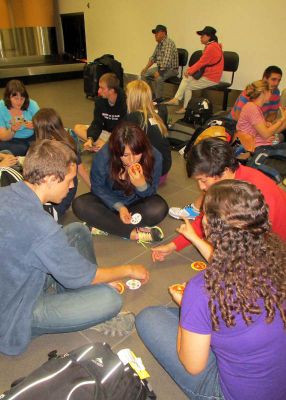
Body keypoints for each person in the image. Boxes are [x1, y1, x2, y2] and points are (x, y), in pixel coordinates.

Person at [136, 179, 286, 400]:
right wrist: (194, 238)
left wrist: (187, 307)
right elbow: (233, 258)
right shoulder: (276, 257)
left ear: (211, 226)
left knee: (149, 317)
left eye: (204, 214)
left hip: (231, 394)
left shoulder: (202, 290)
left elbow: (192, 366)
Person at [0, 139, 149, 356]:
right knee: (110, 300)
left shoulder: (7, 193)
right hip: (14, 313)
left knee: (77, 230)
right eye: (69, 180)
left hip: (14, 280)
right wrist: (129, 269)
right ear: (50, 179)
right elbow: (86, 276)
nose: (72, 186)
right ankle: (83, 309)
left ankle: (77, 298)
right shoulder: (40, 226)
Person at [152, 138, 286, 262]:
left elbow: (250, 252)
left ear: (225, 171)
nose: (201, 187)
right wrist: (172, 246)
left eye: (203, 180)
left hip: (274, 249)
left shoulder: (255, 195)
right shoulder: (225, 185)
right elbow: (204, 220)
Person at [72, 121, 168, 243]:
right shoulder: (105, 154)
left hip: (137, 203)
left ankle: (106, 225)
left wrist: (142, 185)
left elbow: (151, 193)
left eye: (136, 153)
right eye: (125, 155)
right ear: (116, 152)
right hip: (108, 202)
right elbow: (97, 187)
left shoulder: (155, 157)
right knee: (80, 204)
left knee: (159, 208)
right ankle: (133, 233)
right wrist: (119, 207)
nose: (132, 160)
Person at [33, 108, 91, 218]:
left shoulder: (55, 149)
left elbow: (80, 170)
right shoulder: (68, 141)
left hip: (59, 196)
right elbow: (81, 170)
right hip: (61, 190)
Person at [164, 26, 223, 114]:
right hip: (208, 75)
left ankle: (182, 105)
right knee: (186, 78)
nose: (200, 38)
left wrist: (189, 71)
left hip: (211, 78)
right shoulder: (213, 45)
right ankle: (177, 100)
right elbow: (202, 62)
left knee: (187, 85)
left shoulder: (211, 47)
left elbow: (201, 62)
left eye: (202, 36)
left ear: (209, 37)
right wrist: (189, 71)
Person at [125, 79, 172, 183]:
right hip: (163, 171)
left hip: (150, 175)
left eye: (127, 96)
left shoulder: (134, 117)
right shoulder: (155, 115)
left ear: (132, 99)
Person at [74, 73, 127, 152]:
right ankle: (102, 146)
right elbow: (97, 123)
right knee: (77, 128)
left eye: (102, 88)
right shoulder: (100, 101)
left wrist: (112, 140)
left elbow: (125, 129)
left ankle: (106, 146)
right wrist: (90, 139)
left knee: (126, 141)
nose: (98, 91)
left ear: (111, 91)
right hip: (105, 133)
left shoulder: (125, 102)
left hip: (119, 136)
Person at [236, 80, 286, 150]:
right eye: (270, 91)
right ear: (264, 92)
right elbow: (266, 134)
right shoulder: (252, 108)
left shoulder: (253, 107)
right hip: (255, 148)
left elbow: (260, 132)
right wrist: (282, 119)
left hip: (257, 144)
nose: (271, 94)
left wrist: (266, 126)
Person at [0, 79, 39, 155]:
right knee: (22, 149)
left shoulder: (32, 104)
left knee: (43, 144)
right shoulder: (1, 107)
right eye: (16, 98)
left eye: (22, 98)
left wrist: (35, 126)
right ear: (8, 97)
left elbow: (45, 126)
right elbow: (3, 137)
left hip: (32, 136)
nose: (19, 102)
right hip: (11, 140)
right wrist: (12, 130)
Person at [141, 24, 178, 102]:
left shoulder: (169, 43)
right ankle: (149, 95)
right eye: (155, 33)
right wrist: (146, 68)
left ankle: (158, 99)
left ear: (163, 33)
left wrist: (159, 72)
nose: (155, 35)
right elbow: (153, 58)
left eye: (157, 33)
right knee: (144, 74)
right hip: (161, 67)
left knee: (159, 77)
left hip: (171, 69)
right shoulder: (159, 44)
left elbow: (166, 61)